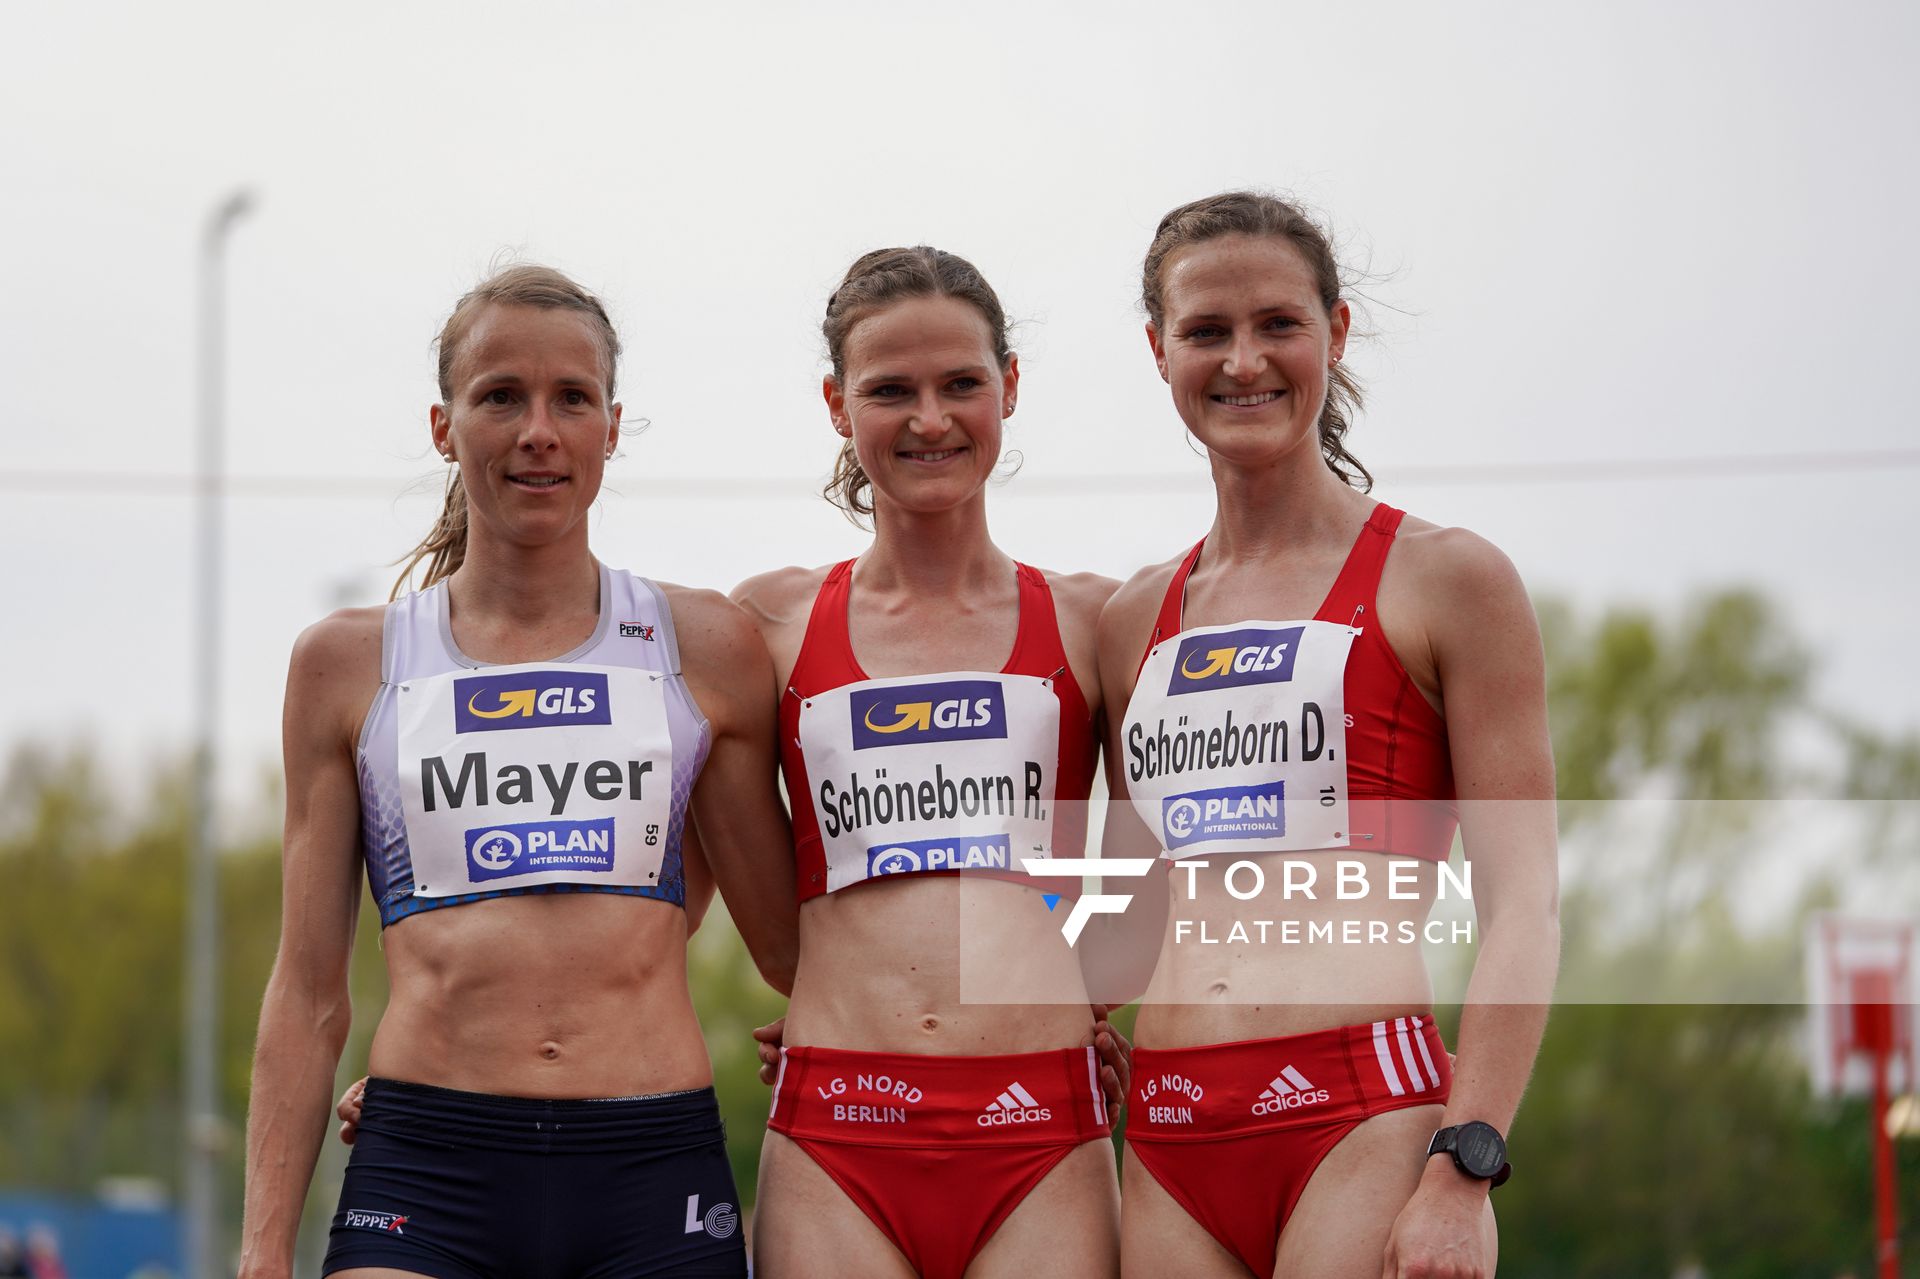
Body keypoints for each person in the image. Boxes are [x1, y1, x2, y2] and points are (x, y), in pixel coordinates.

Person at [238, 265, 798, 1279]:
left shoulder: (701, 643)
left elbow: (791, 944)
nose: (538, 429)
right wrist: (262, 1248)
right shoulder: (347, 663)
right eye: (501, 395)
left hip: (648, 1164)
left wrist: (1030, 1022)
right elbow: (309, 988)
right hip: (427, 1166)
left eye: (570, 399)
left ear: (612, 426)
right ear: (446, 425)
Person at [1096, 193, 1559, 1278]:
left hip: (1360, 1116)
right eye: (1206, 330)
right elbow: (1125, 901)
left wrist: (1466, 1165)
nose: (1243, 359)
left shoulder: (1448, 577)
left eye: (1278, 324)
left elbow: (1525, 903)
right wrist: (885, 1024)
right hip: (1168, 1136)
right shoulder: (1133, 618)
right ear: (1159, 350)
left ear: (1335, 333)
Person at [731, 246, 1127, 1279]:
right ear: (836, 403)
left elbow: (1168, 845)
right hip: (838, 1130)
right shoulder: (768, 623)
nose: (931, 420)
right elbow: (669, 877)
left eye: (962, 384)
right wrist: (469, 1072)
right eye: (890, 391)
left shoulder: (1095, 618)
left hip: (1042, 1126)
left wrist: (1110, 1004)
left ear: (1010, 387)